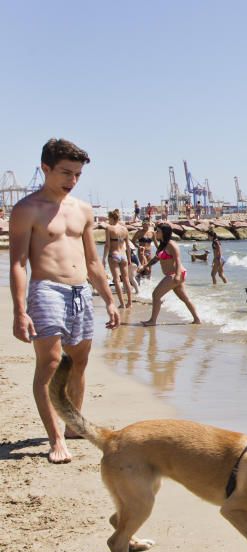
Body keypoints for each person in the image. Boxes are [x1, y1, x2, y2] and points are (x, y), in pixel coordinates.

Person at [8, 138, 120, 463]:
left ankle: (73, 426)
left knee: (79, 361)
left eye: (77, 175)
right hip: (47, 290)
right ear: (45, 168)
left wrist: (110, 300)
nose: (71, 181)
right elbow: (18, 263)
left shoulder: (83, 210)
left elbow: (93, 261)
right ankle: (56, 438)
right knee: (51, 363)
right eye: (65, 173)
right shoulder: (27, 209)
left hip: (81, 291)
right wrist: (19, 312)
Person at [137, 223, 201, 326]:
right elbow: (156, 259)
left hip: (175, 274)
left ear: (164, 233)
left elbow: (178, 260)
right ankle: (197, 320)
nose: (155, 233)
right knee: (184, 298)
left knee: (155, 295)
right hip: (174, 274)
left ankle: (152, 321)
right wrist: (144, 266)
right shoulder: (162, 245)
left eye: (158, 231)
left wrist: (177, 275)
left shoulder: (171, 244)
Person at [101, 209, 132, 309]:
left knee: (117, 280)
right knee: (126, 280)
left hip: (113, 255)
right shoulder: (125, 229)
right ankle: (130, 303)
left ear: (112, 218)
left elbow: (107, 245)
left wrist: (104, 258)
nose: (108, 220)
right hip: (124, 256)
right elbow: (127, 246)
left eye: (108, 218)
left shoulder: (109, 228)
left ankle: (122, 304)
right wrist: (130, 259)